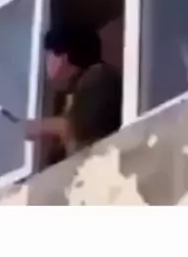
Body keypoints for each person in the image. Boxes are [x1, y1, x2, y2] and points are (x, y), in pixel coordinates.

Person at [25, 22, 122, 159]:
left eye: (49, 56)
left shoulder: (99, 77)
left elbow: (82, 144)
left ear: (64, 58)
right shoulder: (76, 93)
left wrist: (45, 127)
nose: (46, 66)